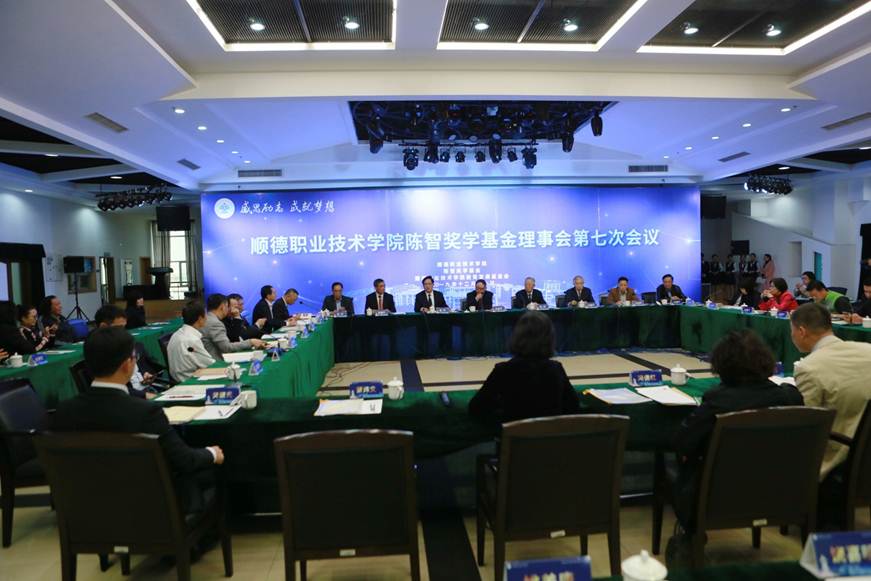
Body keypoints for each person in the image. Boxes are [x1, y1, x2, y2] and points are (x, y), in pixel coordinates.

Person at [53, 326, 224, 514]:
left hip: (87, 510)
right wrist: (212, 453)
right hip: (150, 507)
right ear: (128, 364)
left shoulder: (64, 412)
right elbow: (184, 460)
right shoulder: (146, 412)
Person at [671, 329, 803, 532]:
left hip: (721, 492)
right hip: (782, 489)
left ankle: (687, 534)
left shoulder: (717, 402)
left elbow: (683, 443)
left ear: (721, 366)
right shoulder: (790, 397)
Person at [791, 303, 871, 529]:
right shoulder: (868, 350)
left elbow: (808, 425)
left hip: (838, 459)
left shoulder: (809, 367)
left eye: (792, 332)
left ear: (802, 331)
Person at [469, 310, 580, 422]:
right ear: (549, 338)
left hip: (513, 432)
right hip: (549, 432)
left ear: (517, 336)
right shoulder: (556, 369)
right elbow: (573, 406)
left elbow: (476, 407)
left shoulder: (503, 370)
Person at [94, 304, 165, 397]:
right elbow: (114, 388)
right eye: (119, 328)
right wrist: (145, 395)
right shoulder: (100, 352)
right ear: (103, 326)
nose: (123, 332)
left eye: (124, 328)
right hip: (132, 397)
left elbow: (150, 364)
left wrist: (147, 374)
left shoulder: (130, 343)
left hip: (148, 389)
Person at [201, 293, 265, 360]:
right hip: (215, 362)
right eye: (227, 306)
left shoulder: (207, 318)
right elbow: (227, 347)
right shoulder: (216, 323)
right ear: (222, 306)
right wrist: (250, 342)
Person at [167, 302, 216, 382]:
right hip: (191, 381)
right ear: (200, 318)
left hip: (179, 379)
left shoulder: (177, 334)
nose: (207, 318)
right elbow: (210, 364)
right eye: (205, 315)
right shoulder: (192, 340)